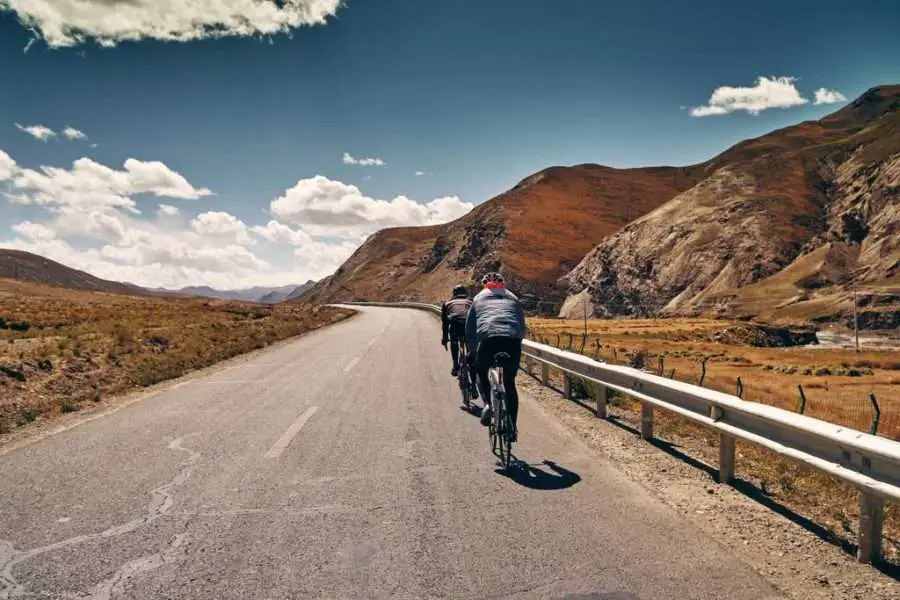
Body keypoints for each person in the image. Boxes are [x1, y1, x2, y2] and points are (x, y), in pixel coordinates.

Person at [465, 272, 526, 441]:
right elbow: (522, 326)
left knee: (480, 370)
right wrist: (516, 345)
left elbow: (470, 329)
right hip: (511, 341)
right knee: (509, 383)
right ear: (503, 285)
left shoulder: (478, 298)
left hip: (489, 340)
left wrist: (472, 351)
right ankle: (512, 429)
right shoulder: (513, 299)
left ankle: (488, 405)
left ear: (485, 285)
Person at [441, 284, 475, 397]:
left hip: (455, 325)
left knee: (454, 341)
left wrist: (445, 338)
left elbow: (445, 324)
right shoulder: (471, 301)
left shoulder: (447, 303)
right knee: (471, 356)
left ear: (453, 294)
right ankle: (474, 386)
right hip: (468, 327)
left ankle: (455, 365)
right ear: (465, 293)